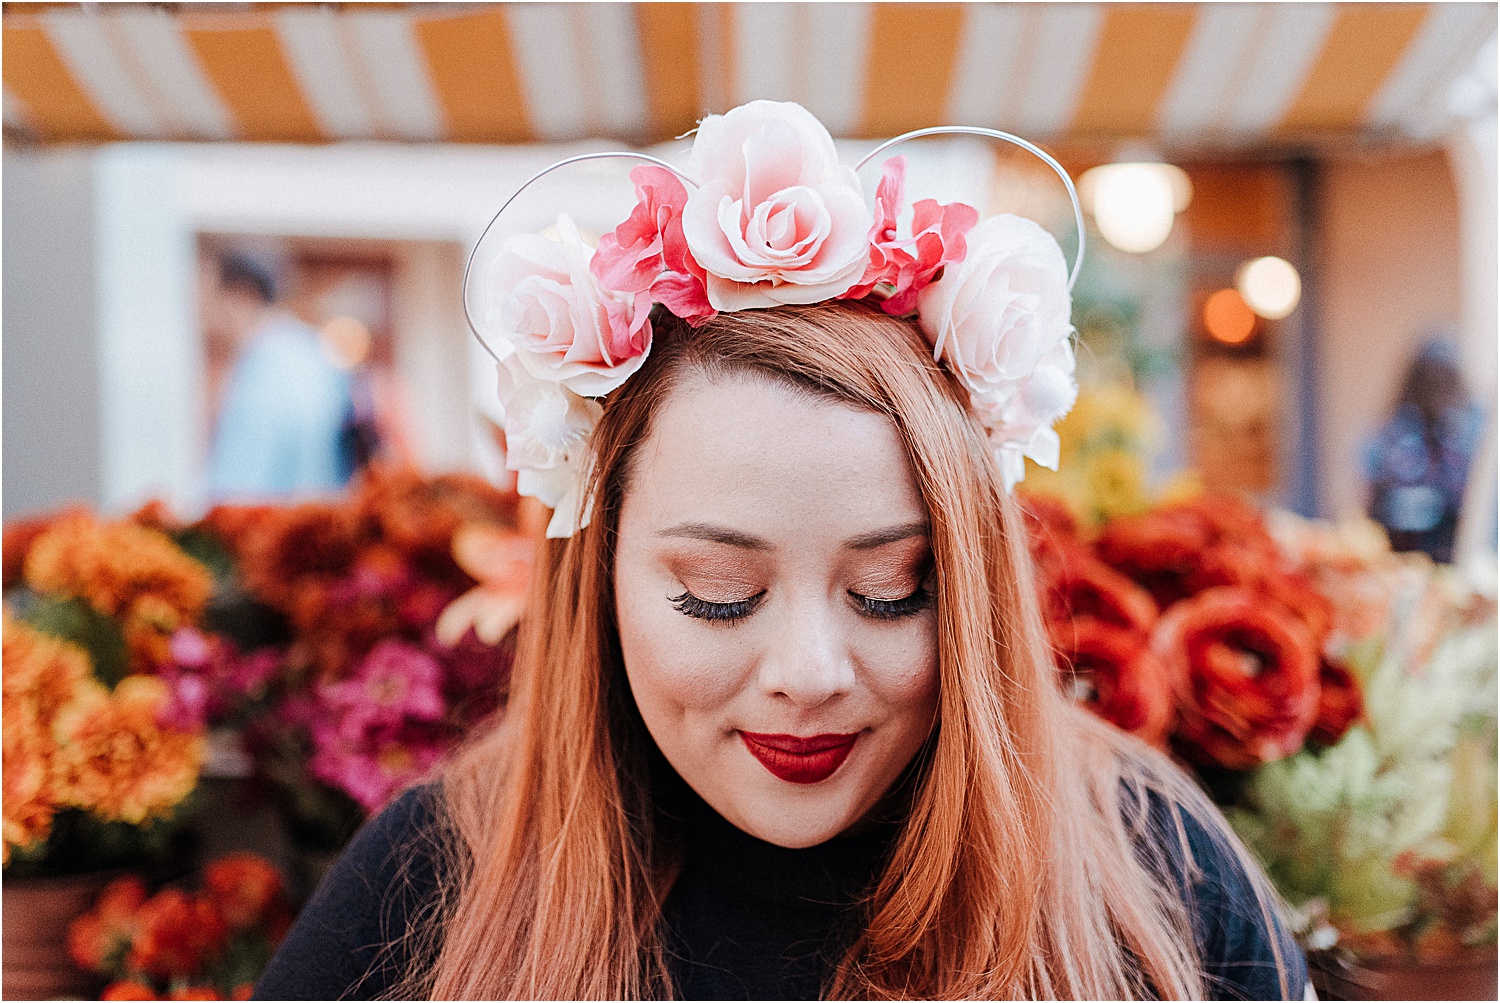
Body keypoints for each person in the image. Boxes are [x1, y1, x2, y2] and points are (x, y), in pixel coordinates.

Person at [254, 101, 1305, 1000]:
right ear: (598, 574)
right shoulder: (430, 884)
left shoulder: (1152, 863)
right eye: (718, 594)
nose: (809, 675)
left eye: (896, 589)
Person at [205, 251, 357, 499]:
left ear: (242, 296)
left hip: (270, 524)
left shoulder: (260, 369)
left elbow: (238, 484)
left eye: (212, 299)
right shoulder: (315, 353)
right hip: (318, 517)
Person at [1365, 338, 1484, 563]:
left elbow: (1472, 506)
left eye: (1443, 380)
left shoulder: (1465, 432)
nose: (1436, 390)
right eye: (1429, 380)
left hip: (1449, 562)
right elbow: (1370, 500)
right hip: (1394, 561)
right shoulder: (1393, 432)